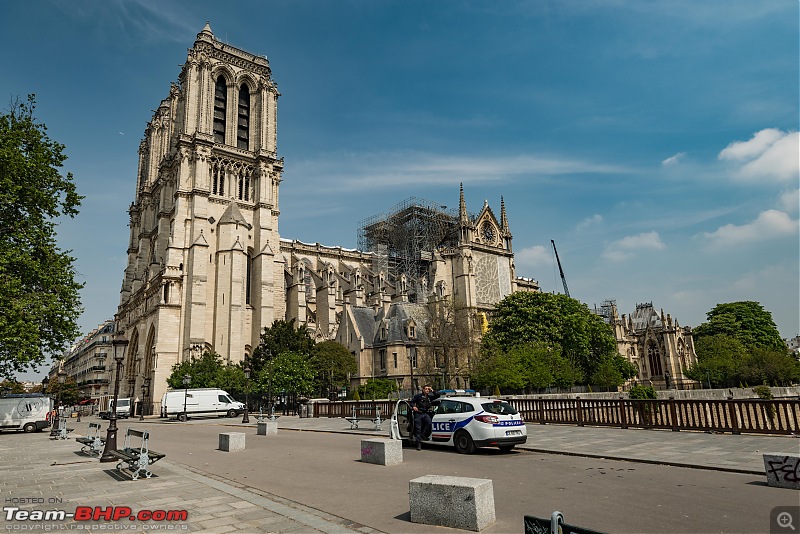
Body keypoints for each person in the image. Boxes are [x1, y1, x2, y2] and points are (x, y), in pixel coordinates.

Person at [410, 384, 439, 450]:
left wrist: (432, 390)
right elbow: (412, 402)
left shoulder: (429, 397)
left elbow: (437, 395)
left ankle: (423, 436)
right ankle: (418, 444)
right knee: (418, 429)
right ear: (423, 390)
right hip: (418, 413)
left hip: (425, 413)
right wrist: (413, 406)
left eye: (428, 389)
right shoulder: (418, 396)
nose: (427, 390)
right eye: (426, 389)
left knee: (429, 423)